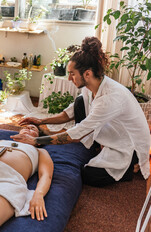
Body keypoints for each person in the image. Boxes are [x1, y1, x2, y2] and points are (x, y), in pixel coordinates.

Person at [14, 36, 150, 187]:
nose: (69, 78)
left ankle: (131, 167)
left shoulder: (109, 98)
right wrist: (41, 120)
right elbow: (69, 113)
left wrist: (36, 140)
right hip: (113, 131)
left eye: (72, 73)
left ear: (87, 74)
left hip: (130, 146)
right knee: (79, 103)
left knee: (89, 175)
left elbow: (78, 133)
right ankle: (96, 147)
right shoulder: (90, 88)